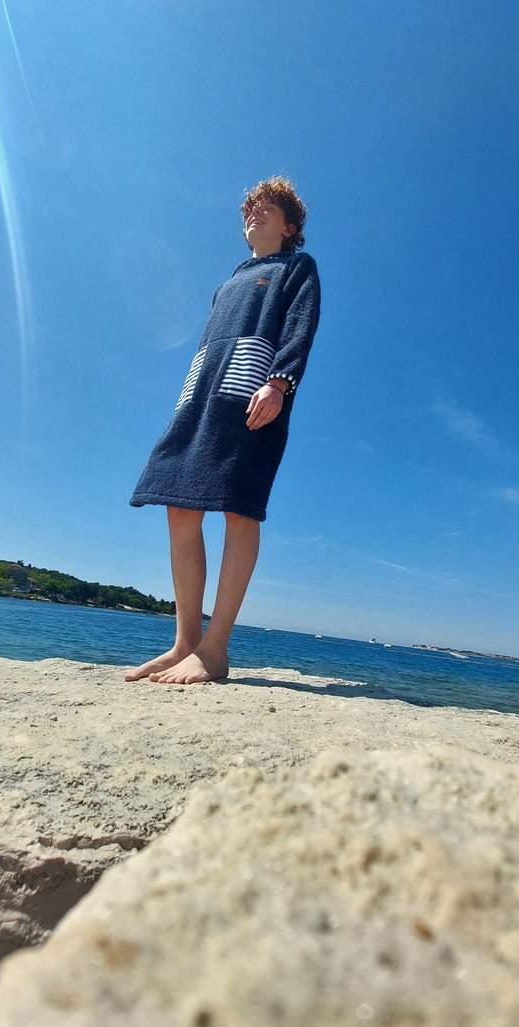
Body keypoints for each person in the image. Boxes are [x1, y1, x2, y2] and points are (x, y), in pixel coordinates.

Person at [126, 176, 321, 684]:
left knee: (240, 507)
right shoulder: (230, 279)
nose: (254, 213)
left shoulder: (297, 267)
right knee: (178, 505)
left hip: (253, 393)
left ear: (290, 225)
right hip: (200, 393)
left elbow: (299, 327)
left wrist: (279, 383)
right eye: (249, 208)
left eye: (268, 207)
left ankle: (215, 650)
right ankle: (185, 643)